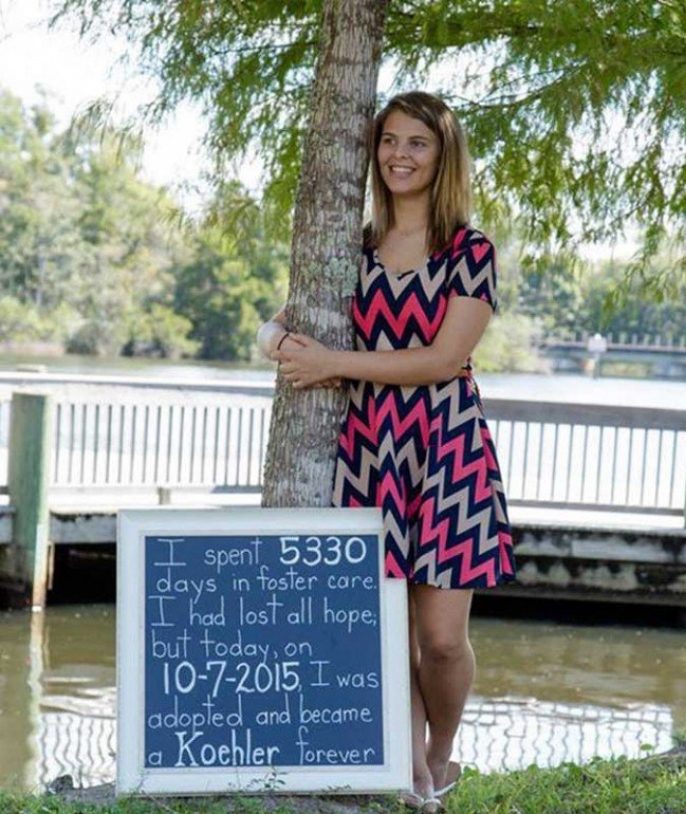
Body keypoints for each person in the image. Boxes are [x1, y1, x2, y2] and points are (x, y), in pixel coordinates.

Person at [259, 91, 515, 813]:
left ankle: (439, 752)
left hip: (447, 452)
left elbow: (442, 359)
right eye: (389, 141)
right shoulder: (353, 249)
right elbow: (279, 324)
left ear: (443, 157)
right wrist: (277, 344)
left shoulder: (470, 250)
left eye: (418, 144)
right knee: (387, 633)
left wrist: (335, 361)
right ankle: (411, 772)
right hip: (370, 452)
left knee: (439, 639)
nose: (399, 155)